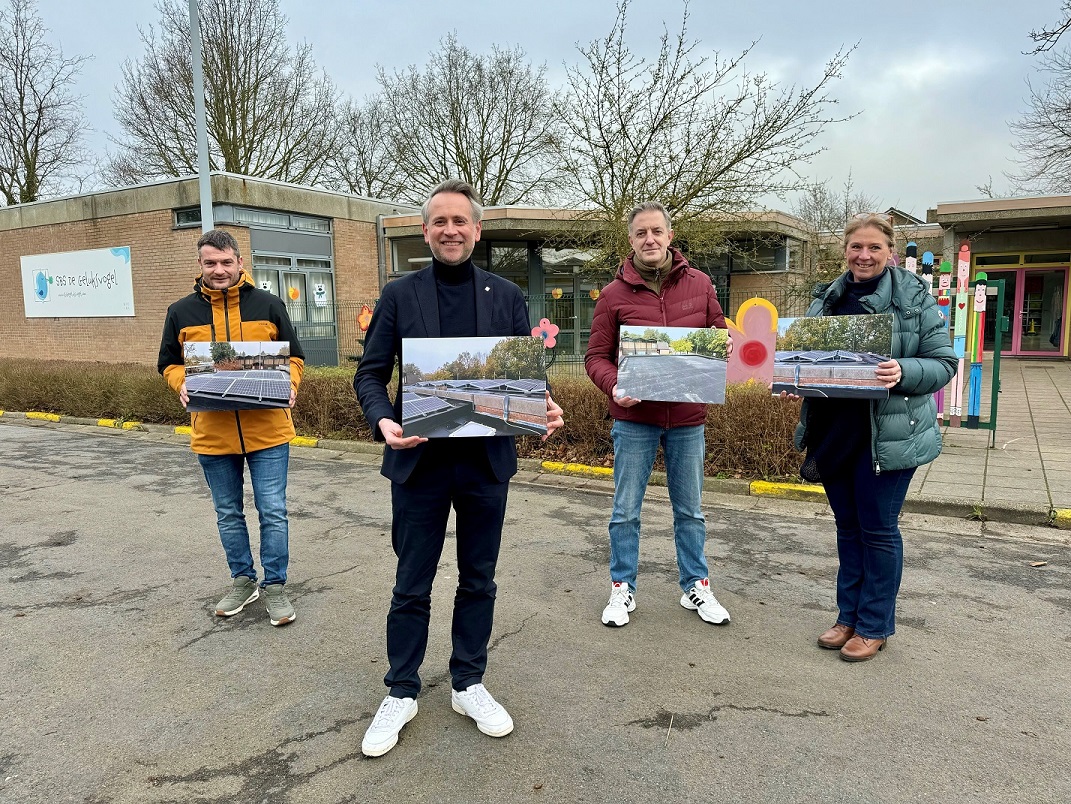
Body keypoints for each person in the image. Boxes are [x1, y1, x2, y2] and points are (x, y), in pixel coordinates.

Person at [353, 179, 564, 757]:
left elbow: (522, 376)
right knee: (411, 582)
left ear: (476, 230)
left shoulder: (506, 296)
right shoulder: (399, 295)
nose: (450, 230)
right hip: (418, 463)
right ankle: (401, 689)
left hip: (484, 465)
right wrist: (382, 422)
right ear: (425, 232)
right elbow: (369, 374)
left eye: (460, 222)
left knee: (479, 577)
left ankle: (469, 681)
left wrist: (542, 404)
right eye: (439, 222)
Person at [792, 214, 956, 662]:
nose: (864, 256)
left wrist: (904, 371)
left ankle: (874, 625)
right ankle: (848, 617)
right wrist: (791, 372)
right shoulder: (827, 297)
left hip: (886, 435)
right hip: (833, 431)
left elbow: (943, 363)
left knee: (878, 531)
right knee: (848, 529)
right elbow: (805, 358)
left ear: (890, 251)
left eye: (874, 248)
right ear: (845, 249)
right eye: (856, 247)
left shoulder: (913, 299)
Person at [585, 201, 733, 629]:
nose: (649, 239)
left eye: (656, 231)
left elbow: (718, 333)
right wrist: (615, 386)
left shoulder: (701, 284)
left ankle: (696, 585)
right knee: (625, 511)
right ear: (630, 241)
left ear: (670, 235)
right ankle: (622, 588)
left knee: (690, 511)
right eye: (640, 233)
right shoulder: (612, 296)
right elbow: (596, 356)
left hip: (687, 417)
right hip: (634, 422)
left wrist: (723, 345)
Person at [158, 229, 304, 627]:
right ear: (200, 265)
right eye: (210, 263)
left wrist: (288, 384)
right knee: (228, 512)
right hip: (212, 433)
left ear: (240, 262)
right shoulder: (181, 312)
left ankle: (275, 586)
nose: (218, 269)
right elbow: (169, 363)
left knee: (273, 511)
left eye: (226, 262)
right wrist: (180, 382)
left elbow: (294, 357)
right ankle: (243, 579)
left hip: (268, 430)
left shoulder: (269, 305)